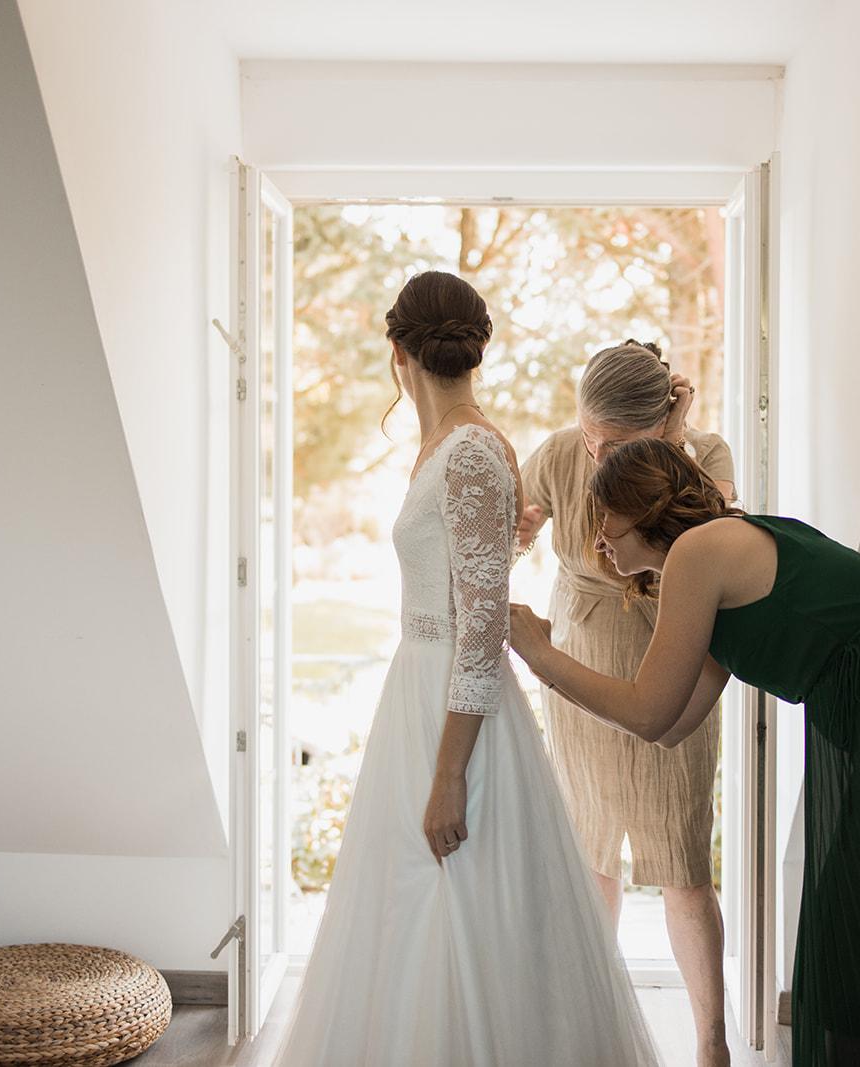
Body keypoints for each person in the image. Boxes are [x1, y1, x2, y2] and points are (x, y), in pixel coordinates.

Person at [507, 438, 860, 1067]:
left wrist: (540, 655)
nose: (598, 536)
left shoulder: (701, 551)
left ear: (641, 508)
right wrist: (549, 665)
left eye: (603, 515)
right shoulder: (720, 553)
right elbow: (669, 724)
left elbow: (648, 711)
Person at [276, 272, 658, 1067]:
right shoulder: (450, 445)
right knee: (405, 919)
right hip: (417, 694)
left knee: (461, 911)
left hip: (456, 714)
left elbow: (482, 626)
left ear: (398, 354)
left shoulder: (473, 448)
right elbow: (465, 569)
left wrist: (450, 773)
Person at [518, 340, 734, 1066]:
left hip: (668, 663)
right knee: (591, 855)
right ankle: (591, 1030)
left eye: (613, 440)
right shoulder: (557, 452)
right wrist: (519, 527)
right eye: (588, 432)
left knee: (682, 863)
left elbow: (715, 544)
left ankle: (711, 1041)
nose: (594, 449)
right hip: (579, 669)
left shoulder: (706, 454)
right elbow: (521, 516)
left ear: (660, 426)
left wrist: (675, 449)